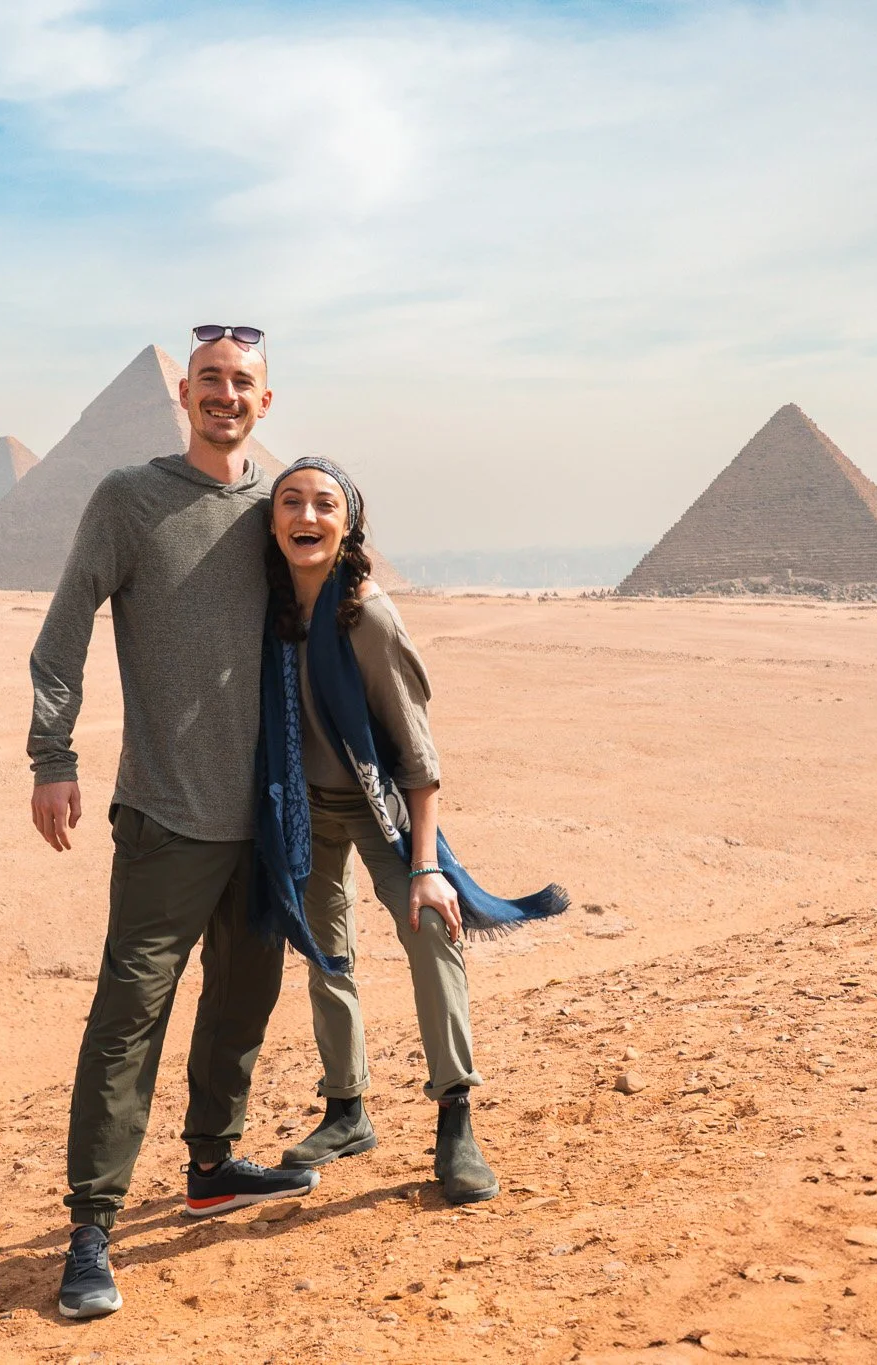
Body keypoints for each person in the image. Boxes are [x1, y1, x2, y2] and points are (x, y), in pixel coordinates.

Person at [30, 325, 318, 1321]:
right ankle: (90, 1226)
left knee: (241, 1005)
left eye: (241, 383)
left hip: (264, 825)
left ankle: (209, 1164)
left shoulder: (285, 511)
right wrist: (52, 760)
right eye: (208, 381)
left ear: (264, 404)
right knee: (125, 1025)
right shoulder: (128, 499)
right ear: (182, 394)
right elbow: (62, 632)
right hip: (163, 815)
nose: (223, 396)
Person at [252, 456, 568, 1206]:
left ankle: (456, 1113)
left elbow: (419, 758)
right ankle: (347, 1108)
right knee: (324, 951)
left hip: (380, 805)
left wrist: (426, 865)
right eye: (289, 500)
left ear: (348, 521)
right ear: (270, 522)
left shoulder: (366, 614)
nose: (306, 515)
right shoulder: (265, 610)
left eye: (324, 502)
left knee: (433, 929)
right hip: (303, 808)